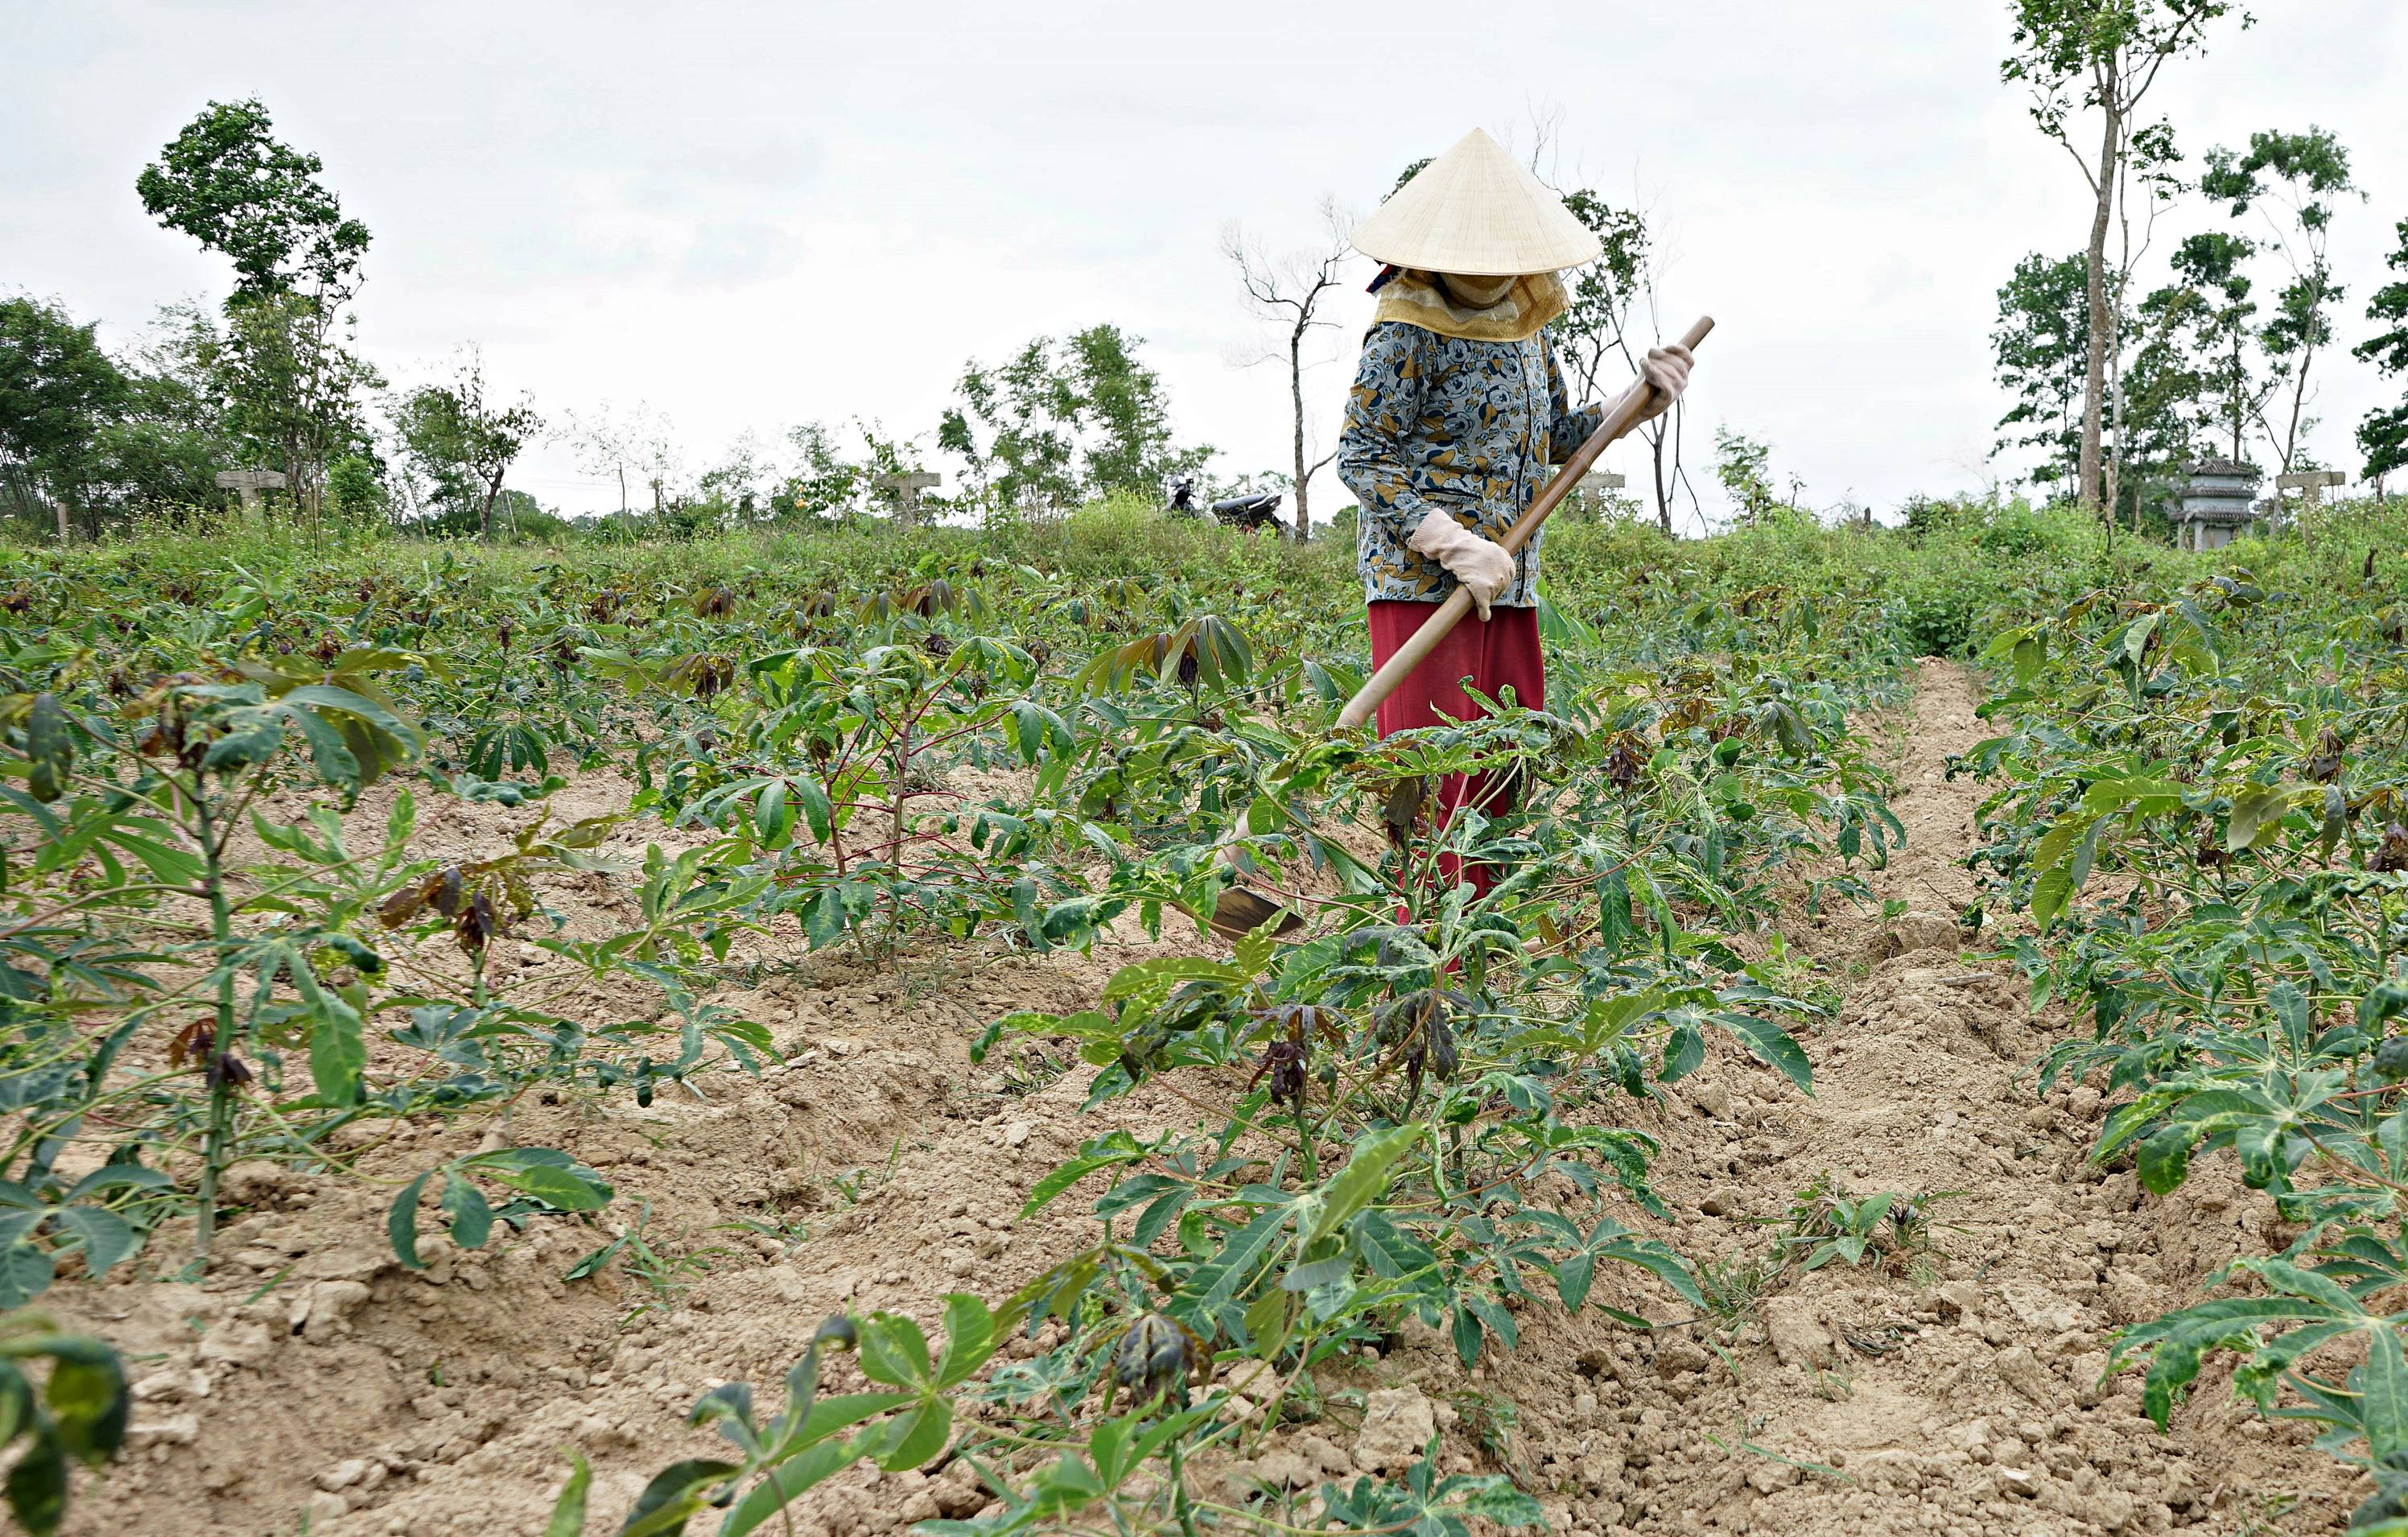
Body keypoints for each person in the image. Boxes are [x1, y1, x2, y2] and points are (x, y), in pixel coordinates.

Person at [1337, 127, 1690, 895]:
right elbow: (1361, 455)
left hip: (1511, 584)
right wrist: (1451, 542)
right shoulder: (1405, 329)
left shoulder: (1529, 330)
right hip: (1426, 591)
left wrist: (1643, 399)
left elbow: (1560, 436)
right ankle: (1426, 971)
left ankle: (1479, 967)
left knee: (1502, 777)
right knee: (1437, 788)